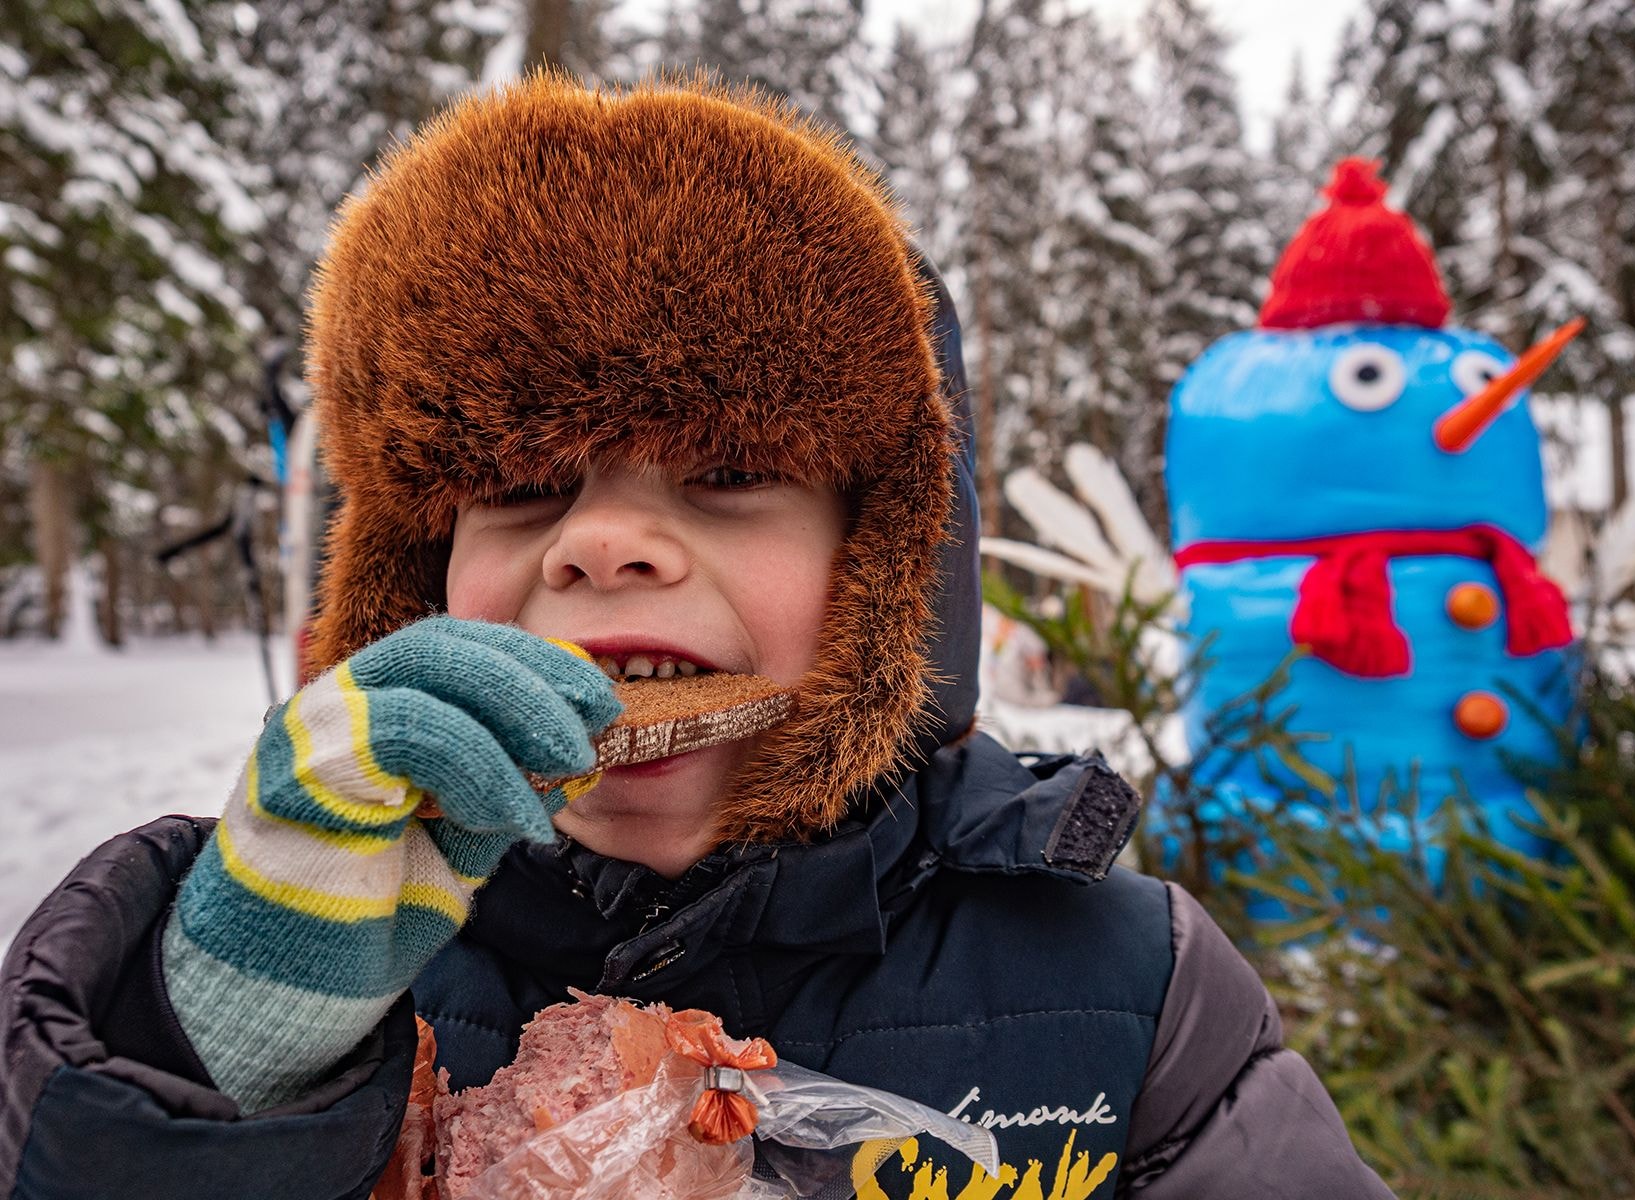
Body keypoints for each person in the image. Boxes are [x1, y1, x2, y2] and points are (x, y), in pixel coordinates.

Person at [0, 75, 1392, 1199]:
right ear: (413, 580)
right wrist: (226, 1066)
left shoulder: (1126, 984)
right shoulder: (268, 931)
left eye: (728, 477)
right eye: (523, 491)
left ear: (886, 569)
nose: (602, 545)